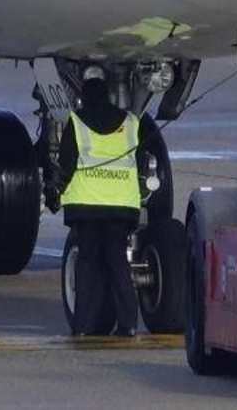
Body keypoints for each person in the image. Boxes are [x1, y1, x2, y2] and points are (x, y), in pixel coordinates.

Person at [58, 68, 143, 336]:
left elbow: (67, 163)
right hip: (120, 207)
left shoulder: (77, 122)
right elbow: (139, 163)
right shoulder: (129, 122)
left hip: (87, 207)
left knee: (87, 267)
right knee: (119, 265)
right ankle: (128, 324)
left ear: (84, 95)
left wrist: (56, 192)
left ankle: (83, 325)